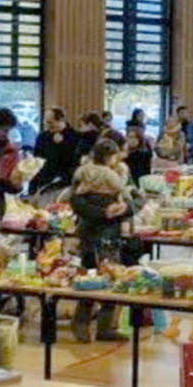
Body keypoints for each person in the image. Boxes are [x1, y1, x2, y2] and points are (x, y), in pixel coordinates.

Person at [69, 138, 134, 343]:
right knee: (89, 277)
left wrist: (124, 209)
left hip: (110, 233)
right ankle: (81, 323)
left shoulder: (119, 173)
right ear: (109, 157)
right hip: (92, 232)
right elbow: (76, 202)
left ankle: (105, 327)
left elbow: (135, 200)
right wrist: (105, 212)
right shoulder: (86, 176)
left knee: (112, 276)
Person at [30, 108, 79, 194]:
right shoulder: (42, 137)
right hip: (44, 179)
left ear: (61, 120)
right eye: (45, 122)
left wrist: (62, 145)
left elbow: (74, 161)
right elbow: (37, 158)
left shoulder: (75, 136)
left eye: (50, 123)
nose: (47, 126)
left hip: (65, 182)